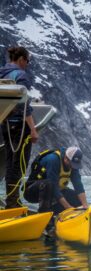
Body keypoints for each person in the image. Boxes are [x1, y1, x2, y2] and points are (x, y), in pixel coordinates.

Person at [0, 46, 39, 208]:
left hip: (5, 123)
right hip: (19, 125)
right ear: (21, 59)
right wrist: (33, 129)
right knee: (20, 164)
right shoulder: (21, 75)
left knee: (10, 162)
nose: (27, 64)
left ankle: (11, 199)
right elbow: (24, 105)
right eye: (27, 61)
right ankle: (13, 202)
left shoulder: (1, 72)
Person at [23, 146, 88, 215]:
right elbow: (54, 188)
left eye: (75, 165)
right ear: (66, 158)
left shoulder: (73, 164)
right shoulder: (53, 160)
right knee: (48, 184)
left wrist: (85, 206)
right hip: (32, 191)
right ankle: (45, 215)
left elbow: (78, 185)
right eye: (72, 164)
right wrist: (68, 207)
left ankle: (56, 214)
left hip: (52, 193)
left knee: (77, 199)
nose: (73, 167)